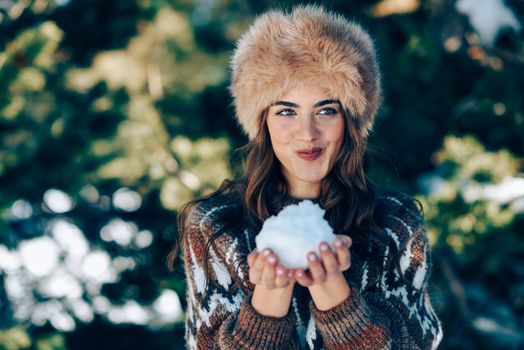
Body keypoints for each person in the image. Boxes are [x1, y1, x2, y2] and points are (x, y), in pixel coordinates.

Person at [166, 4, 443, 349]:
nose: (307, 133)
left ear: (351, 121)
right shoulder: (215, 226)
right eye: (286, 111)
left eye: (326, 110)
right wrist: (268, 299)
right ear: (262, 121)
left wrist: (337, 300)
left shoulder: (396, 223)